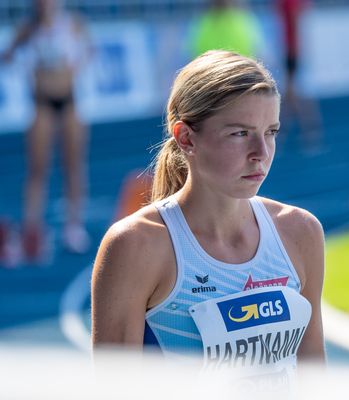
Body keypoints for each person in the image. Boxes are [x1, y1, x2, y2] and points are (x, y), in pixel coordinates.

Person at [91, 51, 325, 378]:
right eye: (240, 133)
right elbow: (112, 388)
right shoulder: (138, 245)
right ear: (186, 138)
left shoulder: (300, 232)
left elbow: (315, 378)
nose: (261, 152)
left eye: (270, 131)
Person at [1, 0, 92, 260]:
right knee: (38, 167)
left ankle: (74, 226)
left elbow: (89, 51)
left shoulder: (72, 24)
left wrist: (75, 68)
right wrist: (26, 69)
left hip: (69, 101)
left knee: (73, 164)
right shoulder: (28, 29)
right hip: (41, 104)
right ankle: (33, 229)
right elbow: (7, 55)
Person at [277, 0, 322, 153]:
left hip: (291, 50)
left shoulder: (291, 2)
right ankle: (308, 130)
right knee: (292, 94)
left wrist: (294, 52)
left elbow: (296, 24)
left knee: (291, 93)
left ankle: (285, 131)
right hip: (289, 49)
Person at [188, 0, 263, 59]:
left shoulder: (203, 23)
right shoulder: (244, 19)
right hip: (241, 72)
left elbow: (192, 54)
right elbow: (261, 54)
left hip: (212, 72)